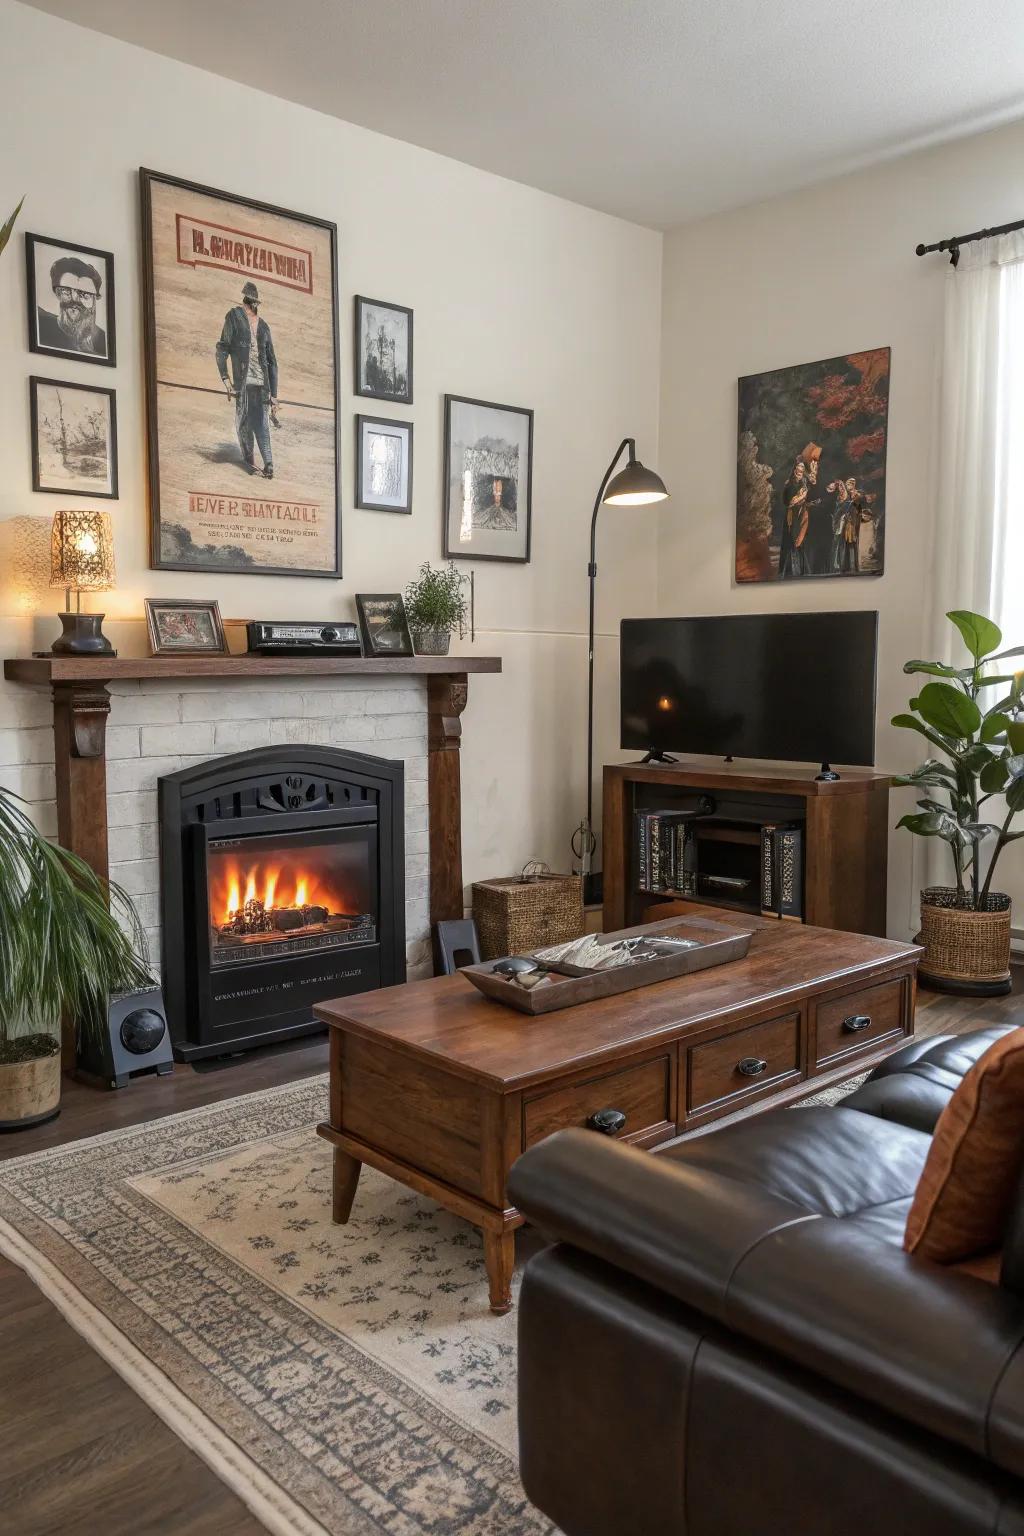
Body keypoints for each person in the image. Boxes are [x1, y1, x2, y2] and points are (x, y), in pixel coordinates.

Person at [215, 281, 279, 479]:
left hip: (262, 385)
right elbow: (222, 349)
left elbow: (272, 363)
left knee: (260, 423)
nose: (250, 306)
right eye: (251, 302)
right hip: (243, 384)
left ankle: (268, 464)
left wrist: (274, 395)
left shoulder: (264, 327)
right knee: (244, 421)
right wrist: (226, 380)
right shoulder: (234, 317)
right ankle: (250, 462)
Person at [37, 255, 107, 356]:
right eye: (67, 291)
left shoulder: (104, 342)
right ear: (58, 294)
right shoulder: (41, 325)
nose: (75, 300)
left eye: (84, 295)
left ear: (94, 299)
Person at [777, 446, 820, 578]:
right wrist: (800, 497)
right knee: (791, 541)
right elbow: (788, 502)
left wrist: (813, 472)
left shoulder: (805, 483)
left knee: (802, 541)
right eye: (798, 470)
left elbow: (813, 482)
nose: (799, 472)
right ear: (794, 470)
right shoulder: (789, 484)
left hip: (802, 514)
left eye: (802, 471)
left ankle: (801, 570)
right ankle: (790, 571)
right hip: (791, 516)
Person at [829, 476, 875, 573]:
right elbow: (839, 509)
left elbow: (863, 502)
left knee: (852, 544)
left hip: (853, 523)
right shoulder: (843, 496)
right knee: (843, 545)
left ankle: (852, 568)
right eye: (848, 483)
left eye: (852, 483)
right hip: (844, 524)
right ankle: (843, 567)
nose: (850, 485)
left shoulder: (858, 494)